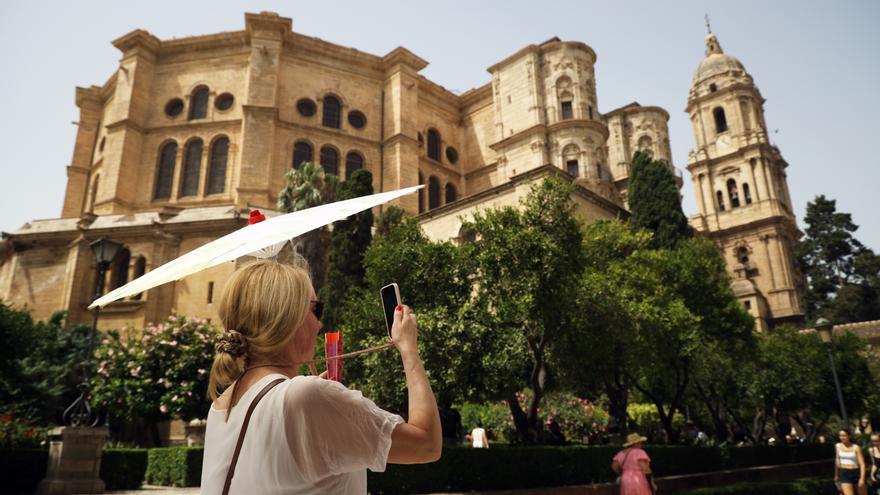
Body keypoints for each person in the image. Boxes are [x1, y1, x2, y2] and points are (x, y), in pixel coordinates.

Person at [201, 259, 442, 494]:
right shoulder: (304, 397)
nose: (319, 324)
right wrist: (410, 351)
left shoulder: (220, 406)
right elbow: (427, 444)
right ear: (288, 317)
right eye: (316, 309)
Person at [835, 428, 868, 495]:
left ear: (849, 436)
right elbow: (837, 461)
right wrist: (836, 475)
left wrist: (862, 479)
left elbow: (862, 464)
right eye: (840, 436)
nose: (842, 437)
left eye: (844, 436)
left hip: (856, 472)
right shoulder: (837, 446)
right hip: (844, 473)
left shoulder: (856, 447)